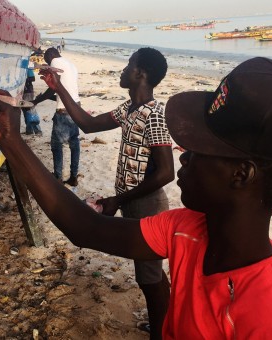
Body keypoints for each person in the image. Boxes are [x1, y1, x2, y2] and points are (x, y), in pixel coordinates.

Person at [0, 57, 272, 339]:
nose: (184, 154)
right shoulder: (186, 230)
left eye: (198, 149)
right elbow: (85, 229)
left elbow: (157, 173)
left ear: (241, 174)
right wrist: (11, 141)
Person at [39, 47, 174, 339]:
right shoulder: (128, 109)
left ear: (141, 74)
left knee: (149, 278)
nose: (122, 71)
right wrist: (58, 88)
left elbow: (166, 173)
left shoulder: (154, 114)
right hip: (131, 203)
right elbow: (87, 125)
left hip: (147, 205)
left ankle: (161, 333)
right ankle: (165, 322)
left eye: (128, 65)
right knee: (151, 273)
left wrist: (119, 200)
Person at [32, 48, 81, 185]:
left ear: (50, 56)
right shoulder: (70, 64)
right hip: (76, 106)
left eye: (47, 60)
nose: (48, 63)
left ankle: (58, 177)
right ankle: (74, 176)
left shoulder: (55, 61)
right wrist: (45, 98)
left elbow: (53, 86)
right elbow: (65, 92)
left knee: (56, 145)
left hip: (64, 111)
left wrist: (36, 101)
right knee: (74, 143)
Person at [22, 67, 42, 136]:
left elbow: (33, 78)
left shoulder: (28, 65)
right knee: (25, 110)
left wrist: (21, 80)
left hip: (27, 92)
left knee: (30, 110)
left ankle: (37, 130)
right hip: (22, 92)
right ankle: (29, 131)